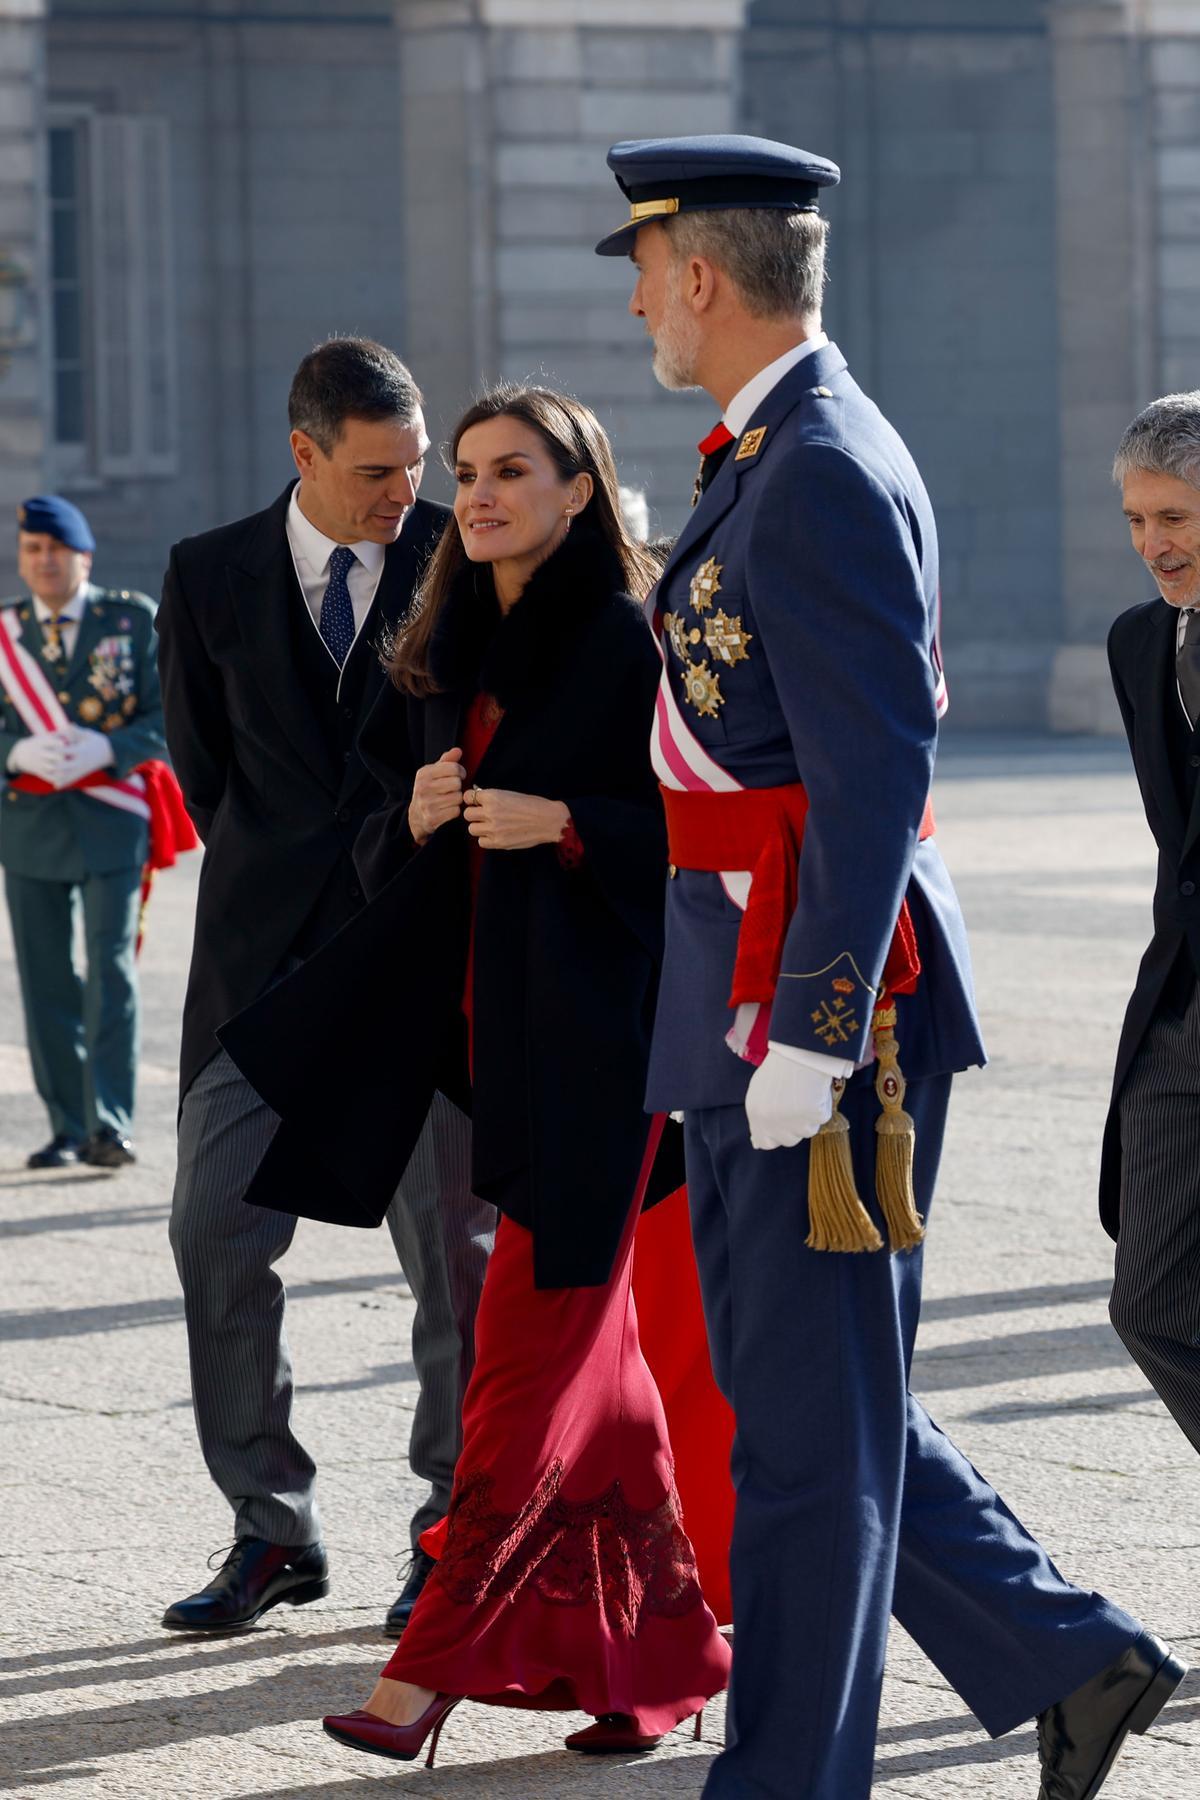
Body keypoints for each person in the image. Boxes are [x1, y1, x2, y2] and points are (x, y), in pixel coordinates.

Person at [595, 132, 1185, 1800]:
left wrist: (816, 1033)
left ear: (702, 275)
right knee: (816, 1410)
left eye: (644, 267)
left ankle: (790, 1784)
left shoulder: (827, 463)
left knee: (800, 1449)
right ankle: (1069, 1654)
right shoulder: (767, 453)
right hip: (740, 1004)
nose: (639, 297)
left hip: (812, 1025)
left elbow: (874, 778)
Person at [220, 384, 732, 1763]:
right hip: (484, 1049)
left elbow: (698, 844)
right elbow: (394, 842)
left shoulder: (632, 642)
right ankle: (659, 1661)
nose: (484, 492)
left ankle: (421, 1677)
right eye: (471, 471)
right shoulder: (447, 641)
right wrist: (424, 811)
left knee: (520, 1362)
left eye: (517, 469)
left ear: (581, 489)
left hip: (600, 1060)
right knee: (601, 1389)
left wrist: (570, 823)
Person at [155, 337, 494, 1635]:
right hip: (259, 968)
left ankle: (449, 1523)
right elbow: (207, 771)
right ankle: (271, 1526)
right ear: (304, 454)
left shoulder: (468, 556)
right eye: (375, 472)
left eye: (415, 467)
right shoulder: (205, 574)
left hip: (418, 961)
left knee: (450, 1264)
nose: (404, 494)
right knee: (212, 1234)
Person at [1, 495, 171, 1170]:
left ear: (85, 556)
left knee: (111, 973)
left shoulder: (129, 622)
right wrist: (13, 753)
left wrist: (112, 750)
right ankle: (67, 1127)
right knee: (46, 980)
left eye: (57, 550)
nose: (45, 562)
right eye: (33, 550)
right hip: (29, 827)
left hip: (111, 821)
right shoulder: (6, 634)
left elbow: (170, 715)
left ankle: (110, 1122)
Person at [1104, 392, 1200, 1464]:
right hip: (1178, 1021)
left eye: (1173, 517)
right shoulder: (1139, 645)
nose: (1153, 546)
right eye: (1136, 521)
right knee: (1149, 1304)